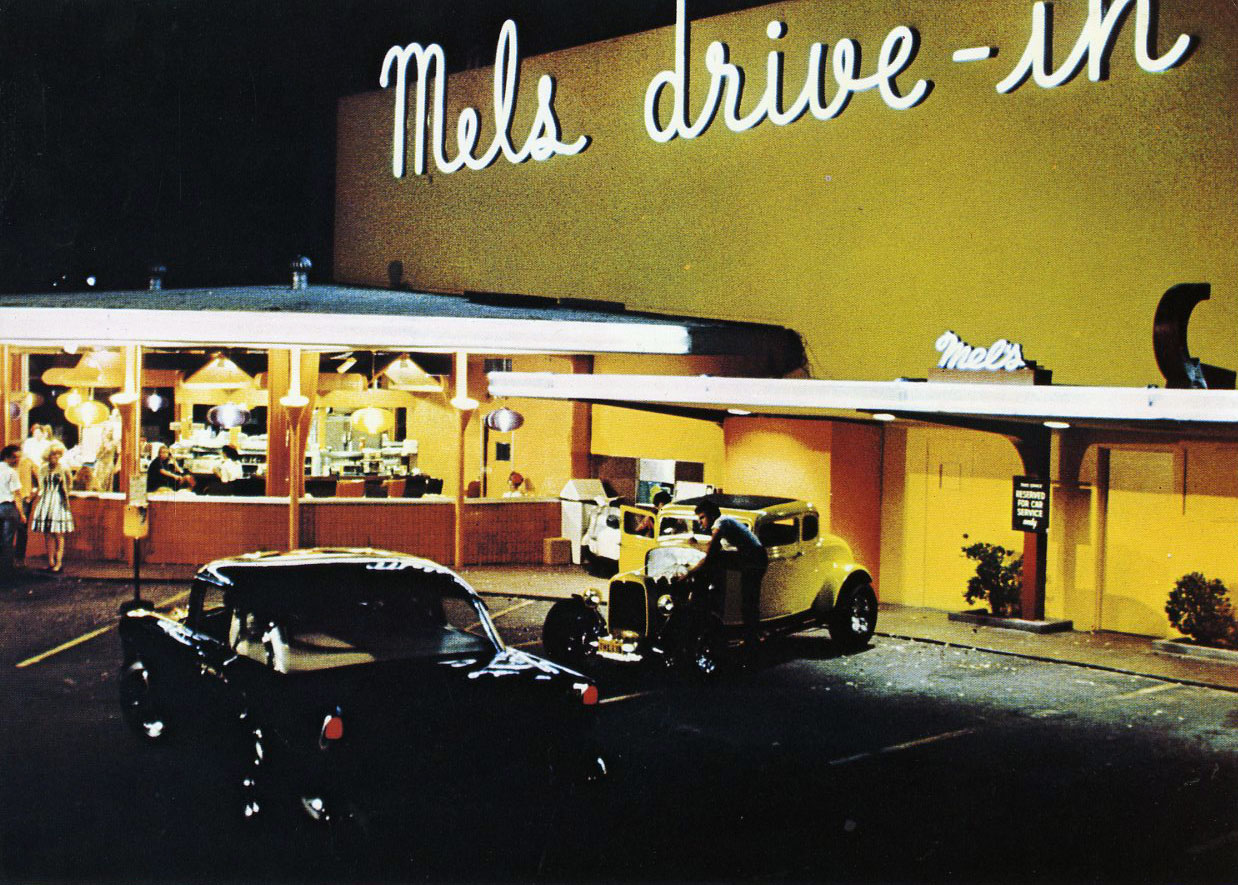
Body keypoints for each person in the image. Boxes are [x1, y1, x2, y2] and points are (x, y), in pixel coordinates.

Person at [682, 500, 769, 648]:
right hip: (750, 556)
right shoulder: (724, 522)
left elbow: (710, 555)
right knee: (748, 600)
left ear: (711, 515)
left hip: (754, 559)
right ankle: (751, 635)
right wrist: (696, 546)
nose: (700, 522)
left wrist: (688, 574)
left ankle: (751, 638)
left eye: (702, 517)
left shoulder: (720, 522)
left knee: (748, 600)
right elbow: (711, 549)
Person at [29, 441, 74, 572]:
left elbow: (69, 484)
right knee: (48, 533)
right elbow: (40, 485)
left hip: (58, 501)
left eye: (58, 454)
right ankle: (50, 562)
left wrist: (65, 494)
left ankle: (58, 562)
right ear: (48, 456)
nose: (56, 457)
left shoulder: (64, 468)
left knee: (59, 533)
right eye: (53, 454)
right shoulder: (43, 468)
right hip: (46, 500)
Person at [0, 445, 28, 581]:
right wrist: (22, 514)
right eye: (15, 458)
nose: (17, 460)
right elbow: (17, 495)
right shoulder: (11, 472)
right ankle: (6, 573)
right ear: (7, 457)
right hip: (8, 508)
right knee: (7, 541)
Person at [15, 448, 40, 568]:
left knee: (20, 529)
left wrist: (31, 496)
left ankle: (18, 558)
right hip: (14, 498)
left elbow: (40, 481)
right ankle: (14, 558)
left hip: (21, 497)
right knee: (17, 529)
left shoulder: (28, 462)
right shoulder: (5, 463)